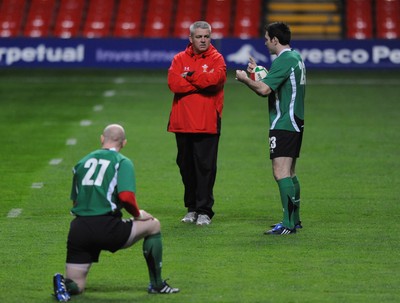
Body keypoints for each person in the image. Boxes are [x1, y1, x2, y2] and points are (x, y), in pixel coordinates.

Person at [53, 124, 179, 302]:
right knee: (153, 225)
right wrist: (137, 214)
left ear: (102, 139)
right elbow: (126, 197)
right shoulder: (122, 162)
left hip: (79, 229)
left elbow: (76, 201)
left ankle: (63, 284)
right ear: (124, 143)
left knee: (77, 286)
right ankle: (157, 284)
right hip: (107, 228)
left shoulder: (81, 163)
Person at [235, 22, 306, 235]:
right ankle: (295, 219)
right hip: (294, 121)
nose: (265, 43)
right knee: (290, 172)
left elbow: (265, 90)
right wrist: (261, 72)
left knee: (280, 172)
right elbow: (276, 84)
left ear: (275, 39)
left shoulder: (285, 60)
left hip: (284, 122)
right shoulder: (295, 57)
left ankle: (287, 224)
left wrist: (245, 79)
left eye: (267, 39)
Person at [167, 21, 227, 226]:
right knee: (186, 167)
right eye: (199, 37)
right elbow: (174, 84)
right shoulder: (178, 59)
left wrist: (190, 76)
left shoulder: (217, 58)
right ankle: (191, 207)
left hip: (207, 122)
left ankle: (204, 211)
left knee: (205, 168)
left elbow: (215, 81)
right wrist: (200, 82)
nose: (203, 40)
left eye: (206, 37)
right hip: (182, 123)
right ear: (190, 38)